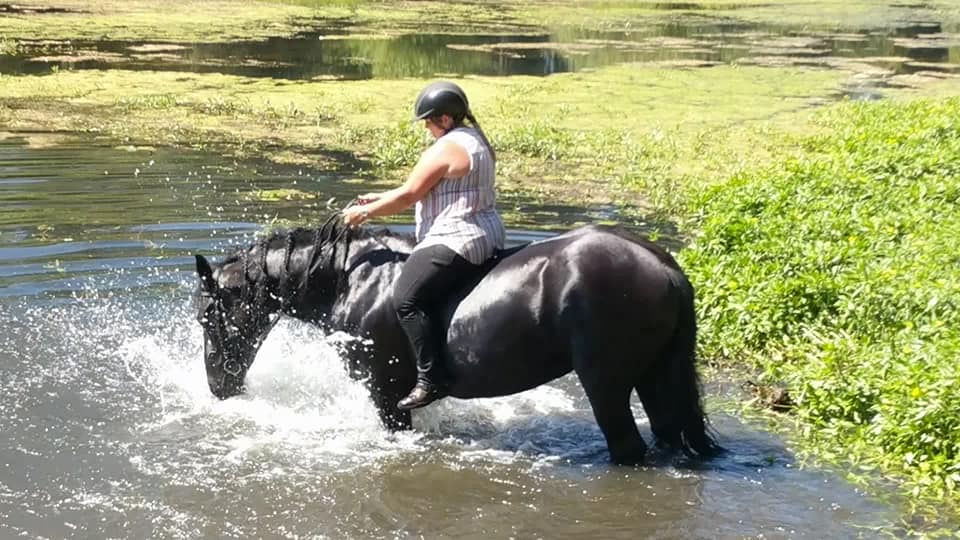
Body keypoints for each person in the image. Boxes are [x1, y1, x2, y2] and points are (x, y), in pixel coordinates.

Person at [341, 81, 506, 410]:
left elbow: (409, 195)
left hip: (457, 236)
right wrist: (379, 197)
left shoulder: (446, 147)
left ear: (445, 120)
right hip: (486, 232)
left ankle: (431, 379)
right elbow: (425, 187)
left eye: (430, 122)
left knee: (405, 298)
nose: (427, 128)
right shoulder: (476, 140)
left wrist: (365, 211)